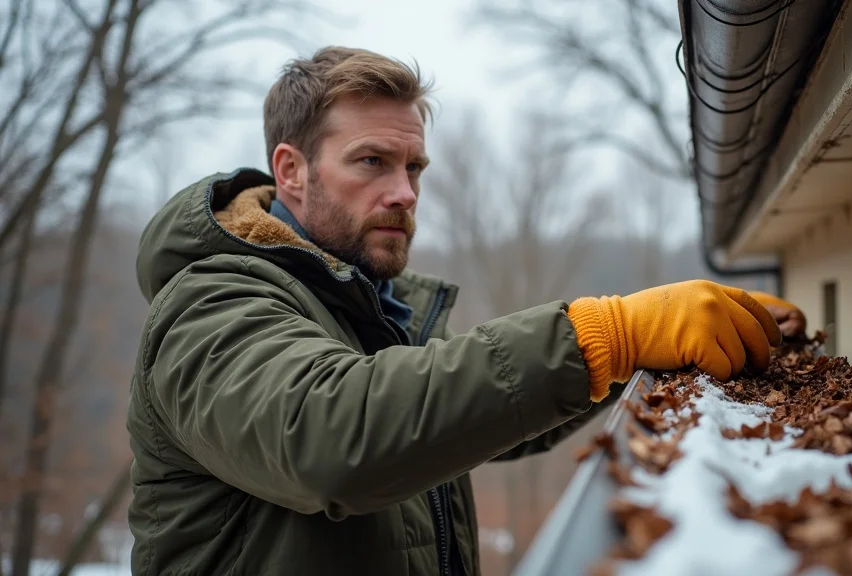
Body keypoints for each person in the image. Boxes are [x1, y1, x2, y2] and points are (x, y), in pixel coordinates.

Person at [126, 46, 807, 575]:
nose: (404, 193)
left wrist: (653, 341)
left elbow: (480, 420)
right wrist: (608, 333)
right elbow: (333, 437)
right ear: (292, 170)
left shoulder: (369, 303)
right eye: (372, 162)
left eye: (414, 168)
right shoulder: (210, 303)